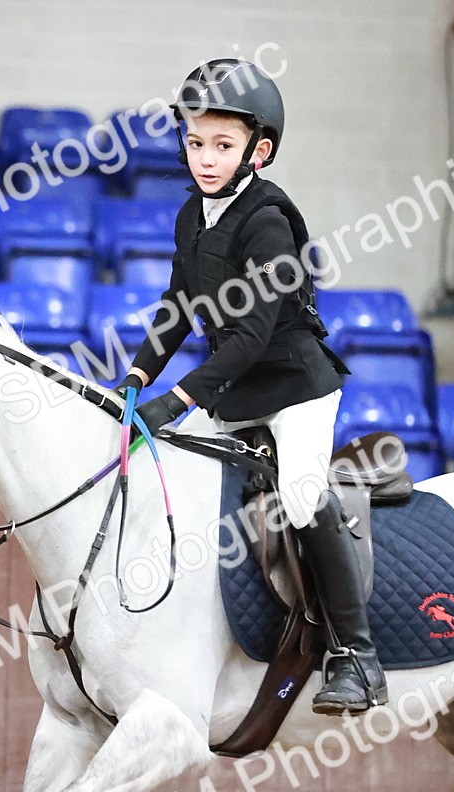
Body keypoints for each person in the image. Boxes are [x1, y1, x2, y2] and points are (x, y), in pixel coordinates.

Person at [118, 58, 388, 715]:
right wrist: (134, 378)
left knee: (300, 497)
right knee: (172, 472)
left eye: (222, 145)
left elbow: (249, 337)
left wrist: (176, 399)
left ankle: (358, 656)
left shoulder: (266, 220)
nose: (205, 158)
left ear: (258, 151)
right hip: (237, 385)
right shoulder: (193, 214)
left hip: (295, 382)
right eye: (194, 142)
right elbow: (178, 306)